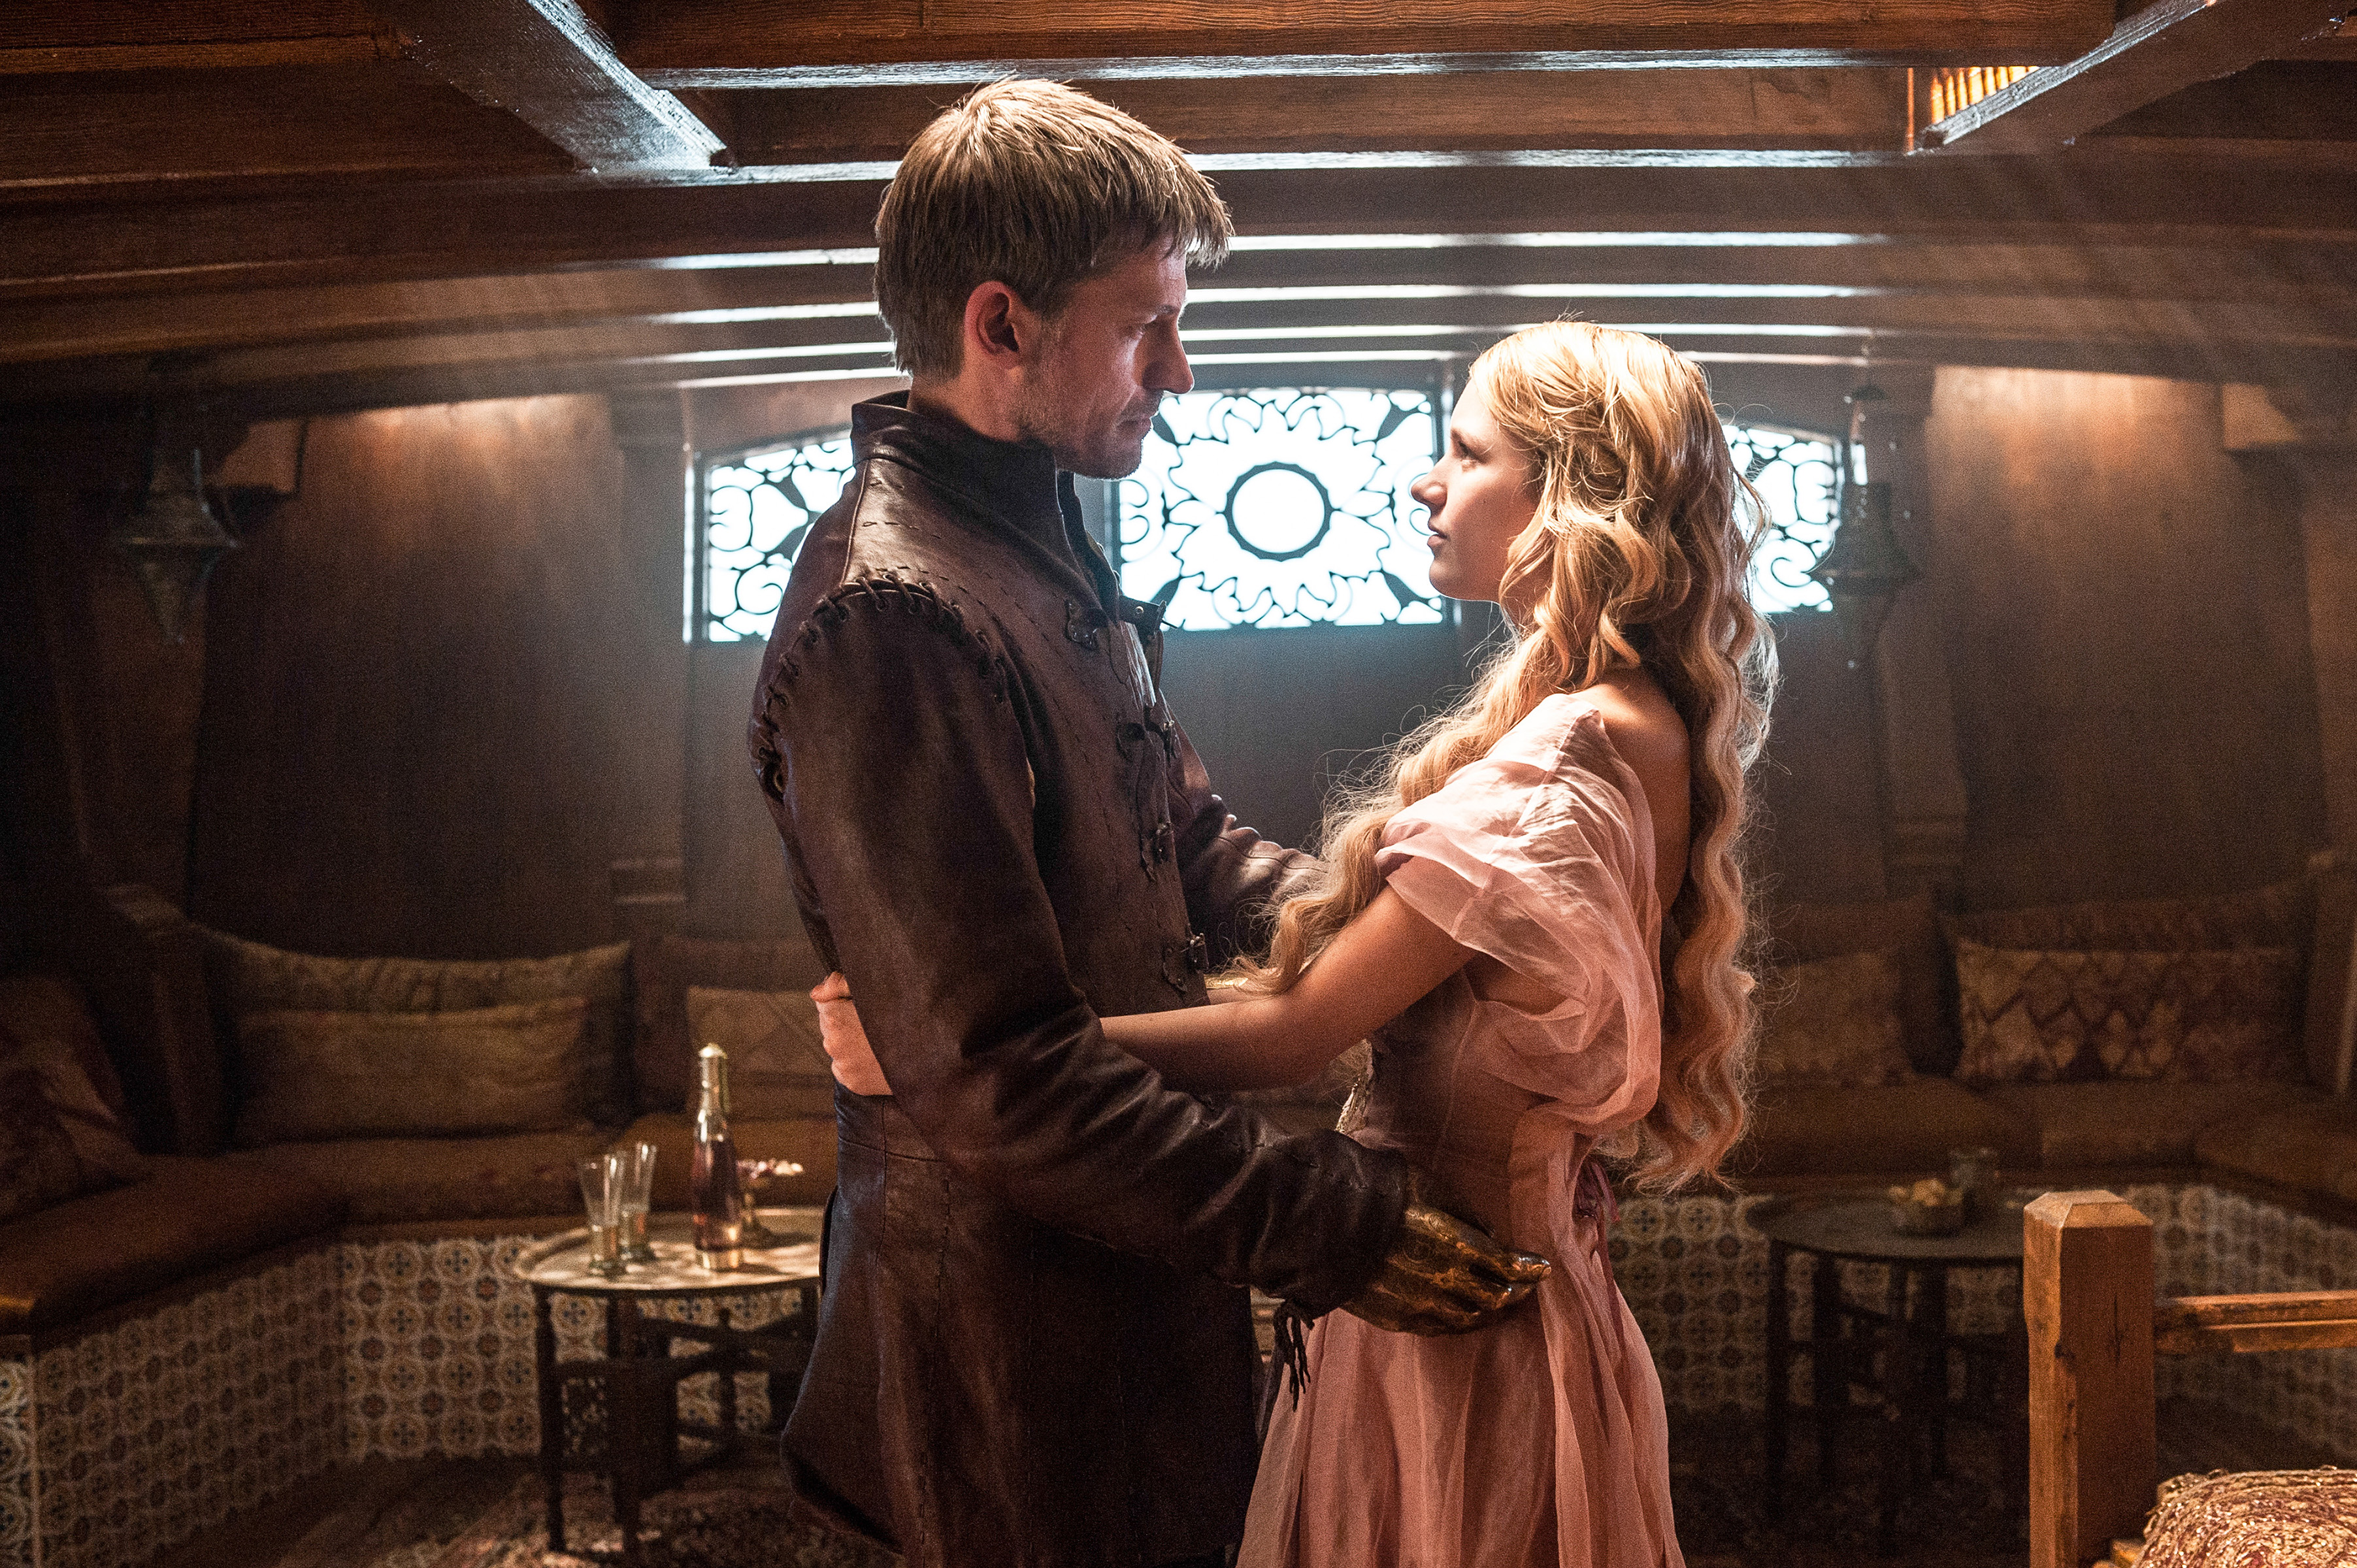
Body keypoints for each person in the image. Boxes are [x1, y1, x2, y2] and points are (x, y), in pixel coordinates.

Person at [746, 79, 1547, 1568]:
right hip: (1004, 1349)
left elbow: (1190, 843)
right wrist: (1334, 1222)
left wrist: (1438, 923)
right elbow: (1000, 1075)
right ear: (1001, 325)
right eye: (1146, 327)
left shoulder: (1028, 536)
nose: (1180, 370)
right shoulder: (889, 614)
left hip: (1128, 1277)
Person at [826, 318, 1773, 1565]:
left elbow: (1296, 1034)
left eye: (1467, 453)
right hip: (1522, 1289)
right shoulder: (1639, 720)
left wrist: (941, 1051)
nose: (1427, 482)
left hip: (1454, 1323)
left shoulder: (1568, 753)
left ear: (1570, 499)